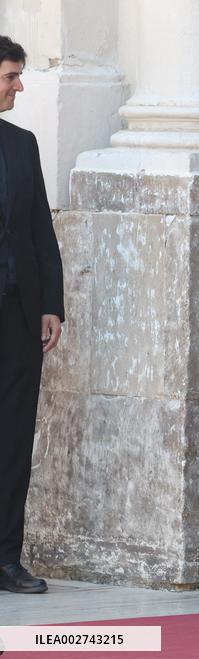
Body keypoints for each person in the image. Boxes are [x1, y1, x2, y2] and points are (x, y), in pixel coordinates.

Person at [0, 35, 64, 596]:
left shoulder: (22, 145)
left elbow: (41, 229)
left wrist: (51, 304)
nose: (18, 85)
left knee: (14, 439)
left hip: (17, 316)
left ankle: (5, 560)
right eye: (10, 76)